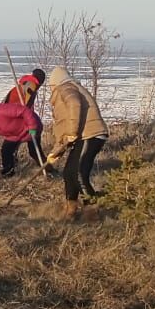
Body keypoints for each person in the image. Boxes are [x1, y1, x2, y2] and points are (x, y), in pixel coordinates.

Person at [44, 66, 108, 217]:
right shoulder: (70, 88)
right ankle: (70, 209)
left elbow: (74, 105)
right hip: (84, 136)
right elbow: (64, 124)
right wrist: (56, 151)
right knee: (68, 173)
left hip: (90, 135)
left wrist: (72, 133)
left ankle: (91, 211)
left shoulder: (66, 88)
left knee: (79, 173)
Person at [2, 68, 53, 172]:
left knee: (9, 149)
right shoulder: (31, 84)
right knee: (12, 149)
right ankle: (49, 170)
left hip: (21, 121)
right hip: (19, 121)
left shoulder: (25, 84)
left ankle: (9, 172)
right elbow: (25, 106)